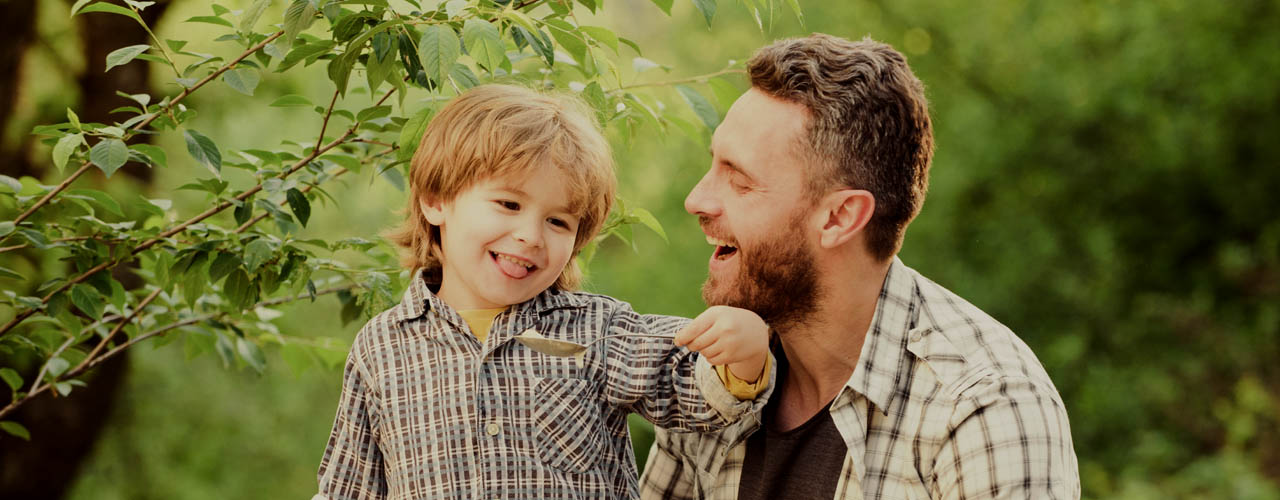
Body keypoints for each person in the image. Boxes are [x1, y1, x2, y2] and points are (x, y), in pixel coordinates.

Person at [640, 34, 1080, 499]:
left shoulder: (984, 408)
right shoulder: (716, 375)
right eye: (713, 166)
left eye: (740, 182)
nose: (697, 200)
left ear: (839, 217)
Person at [314, 84, 774, 499]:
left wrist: (744, 351)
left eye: (558, 221)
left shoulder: (597, 331)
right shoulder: (381, 350)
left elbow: (692, 390)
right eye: (508, 204)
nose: (531, 235)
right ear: (436, 200)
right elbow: (348, 487)